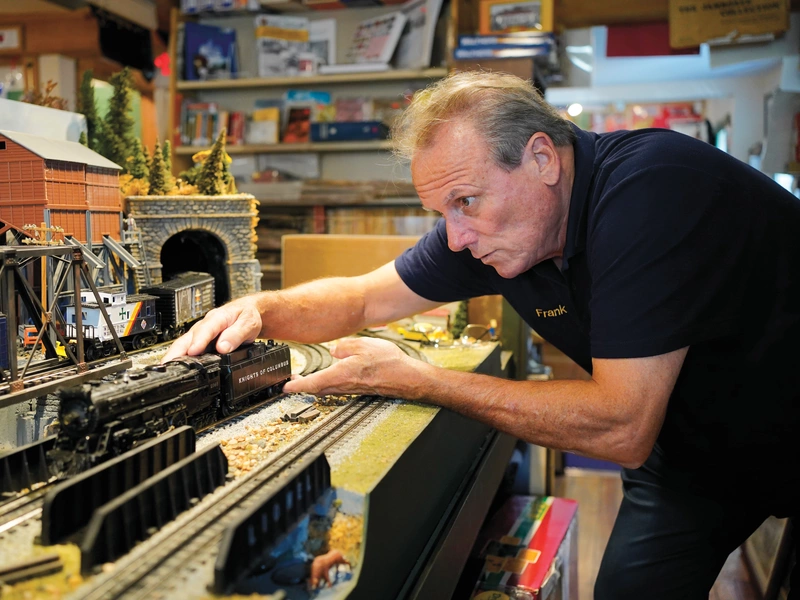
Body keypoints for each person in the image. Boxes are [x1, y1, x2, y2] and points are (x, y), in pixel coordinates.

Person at [162, 71, 800, 598]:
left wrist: (421, 381)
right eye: (443, 212)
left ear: (542, 158)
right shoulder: (490, 230)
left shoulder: (649, 192)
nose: (457, 236)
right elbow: (364, 297)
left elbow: (621, 423)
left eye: (466, 201)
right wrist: (261, 309)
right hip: (690, 453)